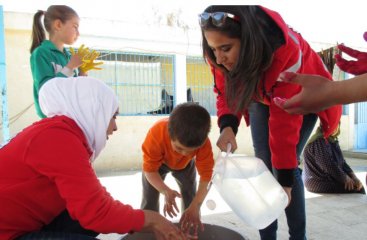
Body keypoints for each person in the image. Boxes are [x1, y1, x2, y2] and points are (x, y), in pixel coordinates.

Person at [199, 5, 342, 240]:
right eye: (213, 49)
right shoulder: (217, 56)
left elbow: (284, 124)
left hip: (303, 95)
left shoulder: (285, 53)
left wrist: (284, 182)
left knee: (285, 168)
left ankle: (298, 236)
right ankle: (267, 237)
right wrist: (227, 126)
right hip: (261, 92)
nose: (218, 57)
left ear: (250, 41)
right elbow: (225, 91)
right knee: (263, 166)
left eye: (225, 48)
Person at [0, 76, 187, 240]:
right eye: (113, 116)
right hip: (7, 233)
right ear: (94, 110)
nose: (115, 127)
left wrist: (141, 218)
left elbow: (93, 199)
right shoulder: (58, 138)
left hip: (23, 223)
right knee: (94, 219)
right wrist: (153, 220)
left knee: (86, 220)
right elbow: (96, 212)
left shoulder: (64, 134)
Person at [141, 102, 214, 238]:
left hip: (185, 166)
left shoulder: (203, 143)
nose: (184, 153)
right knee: (149, 200)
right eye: (179, 148)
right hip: (157, 166)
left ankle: (188, 232)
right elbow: (150, 171)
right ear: (170, 134)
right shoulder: (157, 133)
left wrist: (196, 206)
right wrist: (165, 190)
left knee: (191, 199)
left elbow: (206, 177)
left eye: (191, 151)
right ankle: (146, 235)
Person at [30, 5, 101, 118]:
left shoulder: (68, 57)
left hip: (70, 117)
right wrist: (70, 67)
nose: (78, 33)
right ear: (58, 25)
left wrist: (83, 73)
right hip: (52, 119)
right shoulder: (41, 53)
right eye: (75, 27)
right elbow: (46, 90)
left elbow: (74, 91)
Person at [303, 127, 365, 194]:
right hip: (317, 180)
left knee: (358, 184)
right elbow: (328, 165)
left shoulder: (332, 140)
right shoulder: (319, 141)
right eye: (332, 125)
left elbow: (342, 163)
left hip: (327, 177)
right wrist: (345, 178)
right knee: (356, 188)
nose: (335, 128)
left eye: (337, 125)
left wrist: (353, 176)